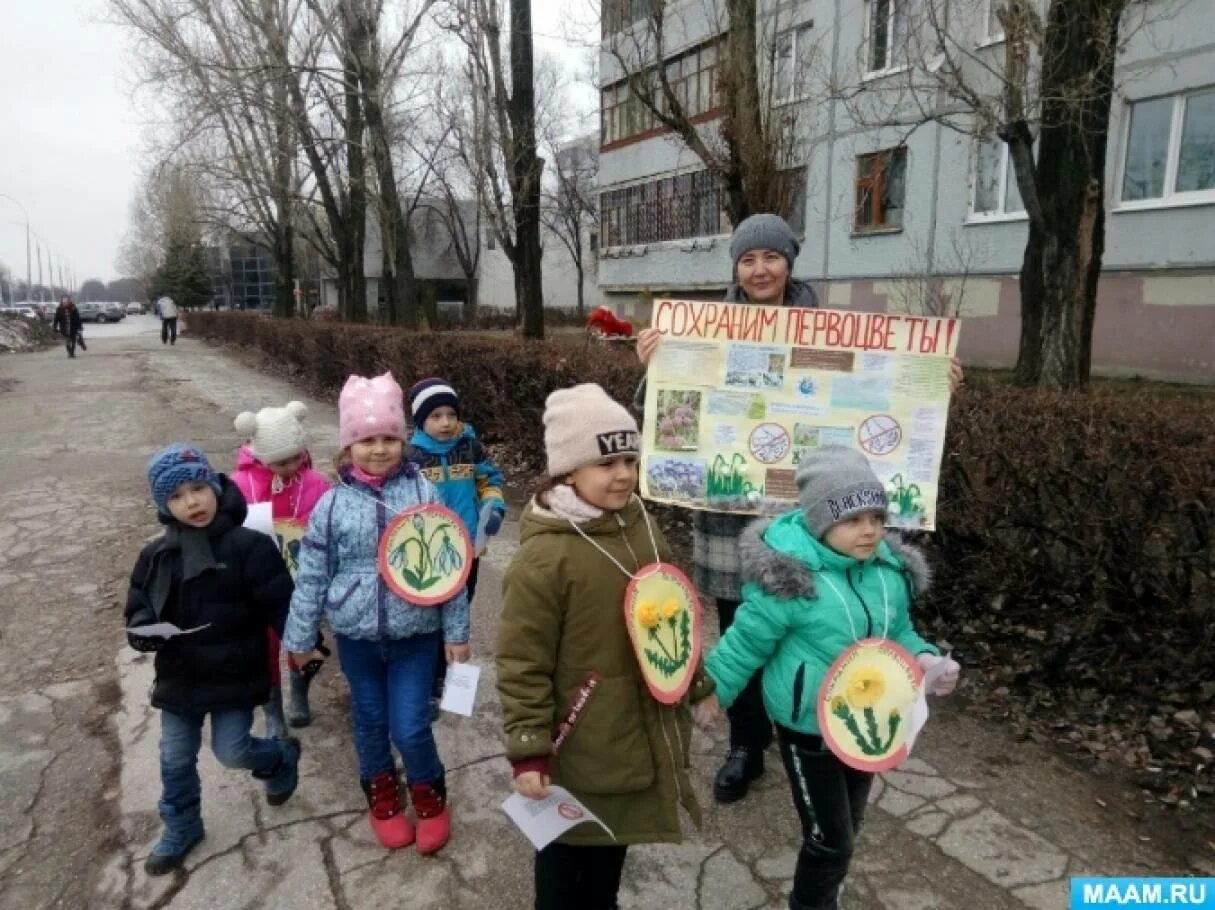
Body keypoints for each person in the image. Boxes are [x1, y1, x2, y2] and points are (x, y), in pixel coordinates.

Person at [634, 213, 964, 804]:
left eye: (771, 257)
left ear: (790, 262)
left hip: (815, 527)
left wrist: (932, 386)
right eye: (747, 260)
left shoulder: (833, 328)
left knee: (814, 636)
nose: (759, 270)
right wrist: (654, 366)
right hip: (734, 520)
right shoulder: (706, 328)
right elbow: (668, 417)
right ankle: (745, 745)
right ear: (735, 268)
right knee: (745, 629)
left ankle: (813, 739)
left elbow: (885, 396)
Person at [704, 446, 959, 910]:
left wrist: (925, 660)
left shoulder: (887, 572)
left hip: (868, 724)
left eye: (877, 518)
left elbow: (899, 630)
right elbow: (744, 644)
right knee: (829, 839)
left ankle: (827, 889)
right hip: (808, 727)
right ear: (821, 522)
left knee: (849, 821)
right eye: (852, 519)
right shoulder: (791, 581)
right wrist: (710, 695)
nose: (870, 530)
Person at [496, 383, 720, 910]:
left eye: (629, 459)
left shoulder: (640, 523)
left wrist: (697, 684)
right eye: (606, 463)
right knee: (565, 850)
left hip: (631, 727)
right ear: (568, 471)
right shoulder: (544, 560)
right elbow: (521, 660)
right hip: (576, 735)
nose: (623, 473)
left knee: (610, 845)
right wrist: (528, 748)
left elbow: (673, 614)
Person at [283, 372, 469, 854]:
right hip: (357, 639)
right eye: (367, 440)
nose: (379, 449)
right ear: (348, 447)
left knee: (409, 724)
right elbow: (312, 577)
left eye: (390, 437)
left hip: (415, 636)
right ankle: (382, 797)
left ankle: (430, 797)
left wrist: (456, 631)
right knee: (368, 722)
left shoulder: (424, 494)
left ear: (404, 441)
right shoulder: (331, 505)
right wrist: (298, 639)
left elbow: (450, 564)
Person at [124, 444, 302, 875]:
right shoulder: (157, 555)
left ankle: (278, 756)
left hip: (234, 671)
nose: (192, 502)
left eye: (198, 488)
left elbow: (281, 602)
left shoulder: (249, 546)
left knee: (232, 750)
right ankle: (182, 824)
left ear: (216, 486)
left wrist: (302, 641)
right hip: (180, 675)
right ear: (164, 505)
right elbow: (139, 605)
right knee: (174, 756)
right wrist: (144, 630)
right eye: (177, 496)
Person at [405, 378, 506, 714]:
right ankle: (432, 673)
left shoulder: (470, 447)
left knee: (460, 607)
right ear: (420, 421)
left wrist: (494, 509)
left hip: (468, 549)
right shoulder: (412, 456)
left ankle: (451, 669)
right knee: (431, 613)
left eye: (451, 414)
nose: (446, 423)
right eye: (435, 416)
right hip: (431, 550)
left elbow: (490, 480)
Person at [231, 401, 332, 732]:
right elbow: (229, 530)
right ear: (260, 454)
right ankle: (273, 711)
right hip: (258, 583)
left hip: (304, 579)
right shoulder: (241, 485)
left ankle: (300, 692)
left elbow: (330, 524)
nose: (291, 465)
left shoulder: (316, 483)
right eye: (280, 461)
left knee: (305, 639)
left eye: (296, 456)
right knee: (264, 646)